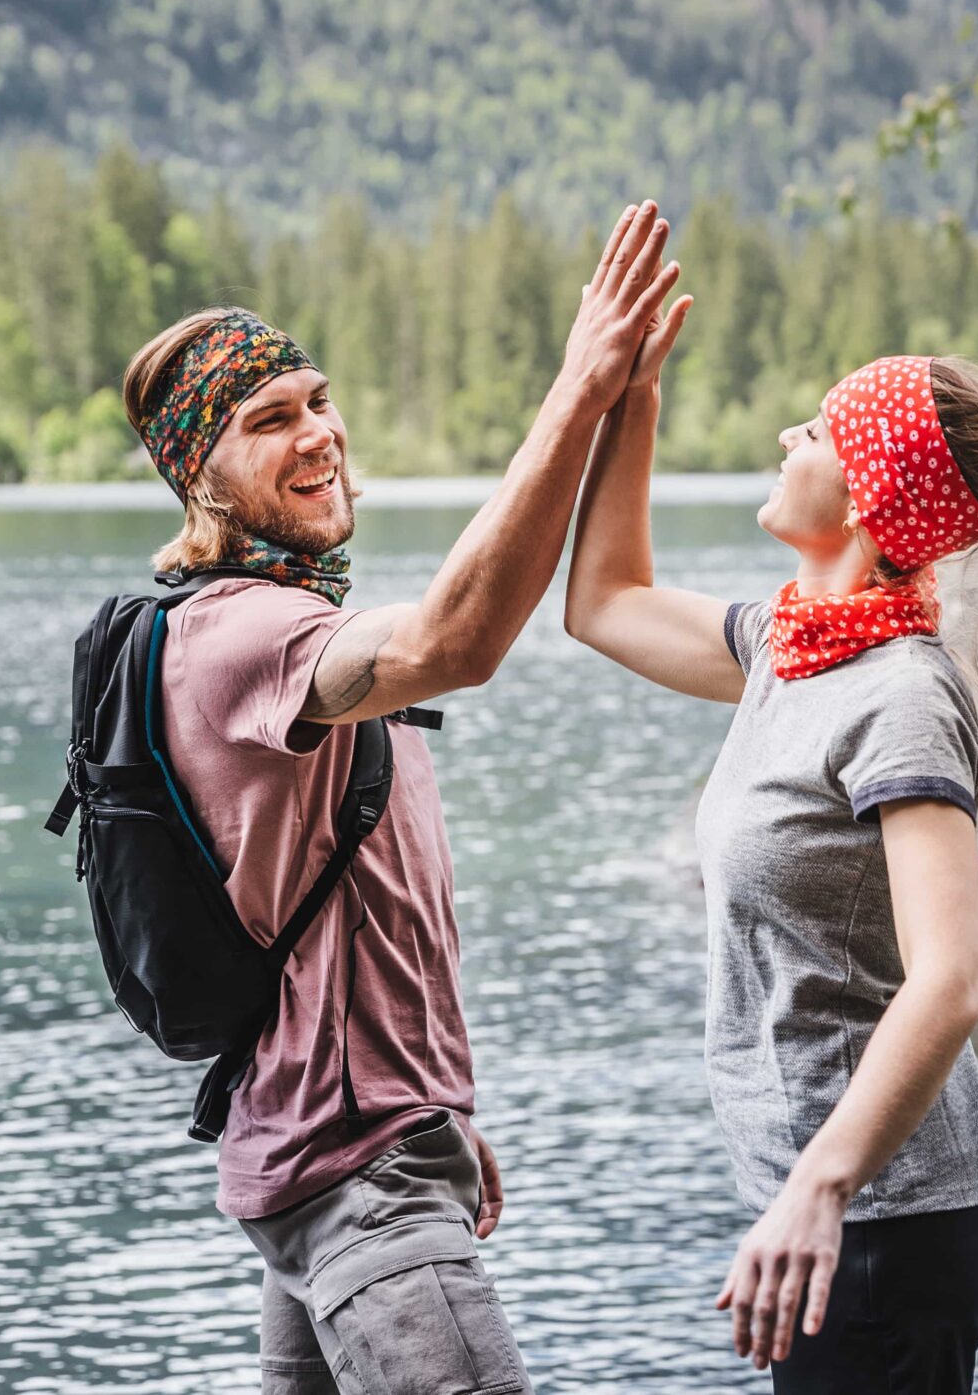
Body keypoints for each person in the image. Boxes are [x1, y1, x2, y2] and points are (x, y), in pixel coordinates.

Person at [119, 202, 680, 1395]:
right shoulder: (244, 637)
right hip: (356, 1171)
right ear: (198, 477)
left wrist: (438, 1111)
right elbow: (455, 641)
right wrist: (578, 389)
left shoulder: (288, 622)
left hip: (351, 1148)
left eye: (317, 401)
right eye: (268, 420)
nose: (317, 435)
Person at [563, 332, 978, 1395]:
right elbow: (602, 604)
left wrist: (820, 1189)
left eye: (814, 429)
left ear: (865, 496)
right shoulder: (793, 646)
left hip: (879, 1228)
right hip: (823, 1207)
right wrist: (635, 397)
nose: (785, 435)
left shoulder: (900, 697)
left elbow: (948, 984)